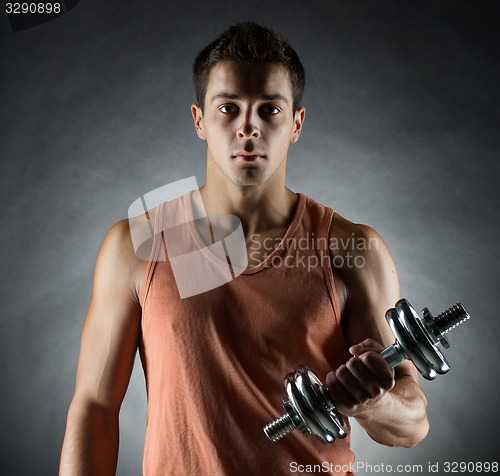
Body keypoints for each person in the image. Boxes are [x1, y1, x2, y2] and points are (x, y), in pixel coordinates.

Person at [59, 21, 429, 476]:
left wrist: (373, 404)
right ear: (199, 120)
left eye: (269, 110)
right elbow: (95, 408)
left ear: (296, 123)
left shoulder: (354, 249)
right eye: (229, 108)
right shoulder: (137, 246)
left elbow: (412, 422)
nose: (248, 128)